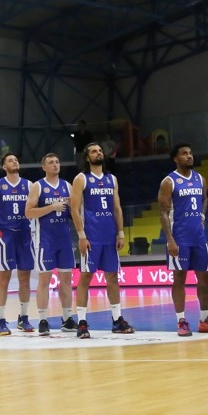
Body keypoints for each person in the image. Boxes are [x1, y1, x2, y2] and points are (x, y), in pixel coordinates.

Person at [70, 142, 135, 338]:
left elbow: (117, 208)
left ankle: (117, 320)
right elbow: (74, 209)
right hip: (91, 236)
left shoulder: (111, 179)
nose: (98, 153)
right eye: (93, 151)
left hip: (109, 236)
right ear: (87, 157)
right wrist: (81, 236)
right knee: (86, 277)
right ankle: (82, 322)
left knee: (113, 278)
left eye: (99, 150)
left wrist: (121, 233)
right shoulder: (81, 178)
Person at [159, 143, 208, 336]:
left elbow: (204, 199)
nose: (189, 156)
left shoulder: (200, 179)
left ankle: (205, 319)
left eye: (190, 152)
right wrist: (170, 240)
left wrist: (202, 216)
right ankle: (181, 321)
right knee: (179, 278)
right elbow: (163, 212)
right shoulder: (169, 181)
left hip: (199, 238)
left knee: (205, 278)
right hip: (179, 237)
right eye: (184, 154)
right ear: (176, 159)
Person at [25, 153, 76, 336]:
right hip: (45, 241)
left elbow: (75, 212)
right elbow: (28, 213)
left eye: (57, 161)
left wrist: (73, 206)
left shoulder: (67, 186)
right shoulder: (38, 186)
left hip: (64, 239)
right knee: (44, 281)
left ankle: (67, 319)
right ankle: (43, 320)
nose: (55, 164)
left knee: (66, 281)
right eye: (51, 162)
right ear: (44, 167)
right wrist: (51, 207)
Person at [0, 153, 35, 335]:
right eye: (10, 160)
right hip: (6, 235)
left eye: (16, 159)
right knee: (4, 278)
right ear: (4, 166)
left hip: (24, 234)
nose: (15, 161)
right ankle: (0, 320)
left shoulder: (29, 185)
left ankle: (23, 318)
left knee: (25, 278)